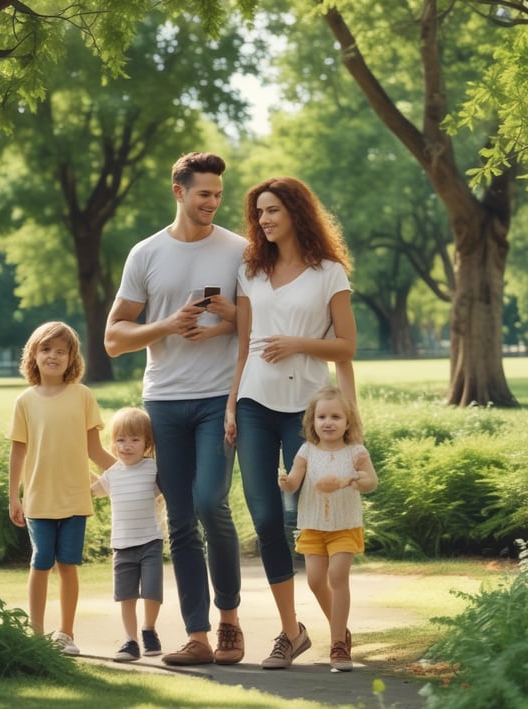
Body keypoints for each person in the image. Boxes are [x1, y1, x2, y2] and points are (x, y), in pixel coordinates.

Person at [104, 152, 245, 666]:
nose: (212, 202)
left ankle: (229, 620)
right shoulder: (145, 254)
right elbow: (114, 338)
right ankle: (198, 635)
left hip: (217, 398)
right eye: (203, 193)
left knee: (211, 502)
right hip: (163, 398)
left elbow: (259, 322)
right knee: (182, 519)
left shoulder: (239, 250)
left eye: (217, 194)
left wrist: (225, 322)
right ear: (179, 191)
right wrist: (166, 325)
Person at [224, 176, 358, 669]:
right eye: (259, 212)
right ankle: (290, 632)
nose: (263, 220)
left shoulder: (329, 274)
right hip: (256, 403)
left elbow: (347, 346)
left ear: (297, 212)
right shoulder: (250, 271)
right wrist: (232, 403)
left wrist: (299, 343)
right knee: (264, 521)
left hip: (305, 412)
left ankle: (339, 633)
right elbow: (244, 345)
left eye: (273, 210)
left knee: (299, 520)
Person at [8, 321, 116, 655]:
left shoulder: (82, 396)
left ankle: (66, 634)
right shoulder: (25, 401)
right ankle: (35, 634)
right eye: (46, 349)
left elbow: (95, 451)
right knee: (41, 561)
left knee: (67, 565)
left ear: (72, 358)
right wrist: (13, 496)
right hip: (38, 498)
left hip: (75, 496)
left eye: (60, 351)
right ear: (33, 355)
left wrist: (135, 473)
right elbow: (18, 451)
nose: (53, 356)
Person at [278, 385, 377, 671]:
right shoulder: (307, 450)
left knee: (337, 576)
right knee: (314, 581)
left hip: (345, 525)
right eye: (322, 417)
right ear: (312, 422)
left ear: (348, 422)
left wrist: (358, 478)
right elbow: (295, 480)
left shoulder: (356, 451)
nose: (328, 422)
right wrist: (287, 483)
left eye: (335, 416)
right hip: (312, 525)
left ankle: (338, 645)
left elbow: (372, 481)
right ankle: (342, 630)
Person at [91, 407, 165, 663]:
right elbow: (93, 491)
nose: (127, 446)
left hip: (151, 541)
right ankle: (130, 640)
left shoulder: (152, 468)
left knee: (152, 591)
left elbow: (167, 490)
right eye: (121, 439)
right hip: (122, 545)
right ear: (113, 444)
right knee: (126, 595)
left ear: (147, 443)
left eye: (135, 439)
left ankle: (149, 629)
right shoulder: (112, 474)